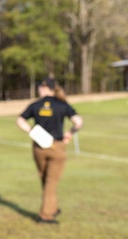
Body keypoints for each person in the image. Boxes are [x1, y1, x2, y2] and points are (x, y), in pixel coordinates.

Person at [16, 78, 83, 224]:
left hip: (38, 147)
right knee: (51, 182)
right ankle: (46, 215)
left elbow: (20, 120)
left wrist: (32, 131)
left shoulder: (36, 105)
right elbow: (78, 121)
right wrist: (70, 133)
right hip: (57, 146)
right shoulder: (62, 104)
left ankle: (52, 207)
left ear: (45, 88)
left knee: (45, 179)